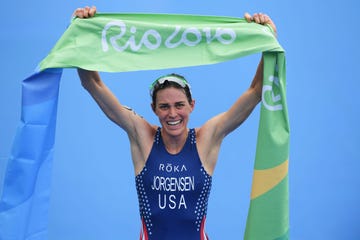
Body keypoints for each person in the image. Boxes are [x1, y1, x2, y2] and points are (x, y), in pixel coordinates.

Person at [73, 6, 277, 240]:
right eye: (164, 106)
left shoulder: (206, 138)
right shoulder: (142, 136)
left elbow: (255, 92)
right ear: (154, 109)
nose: (172, 114)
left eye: (179, 105)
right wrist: (84, 33)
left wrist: (268, 38)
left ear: (192, 105)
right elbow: (93, 84)